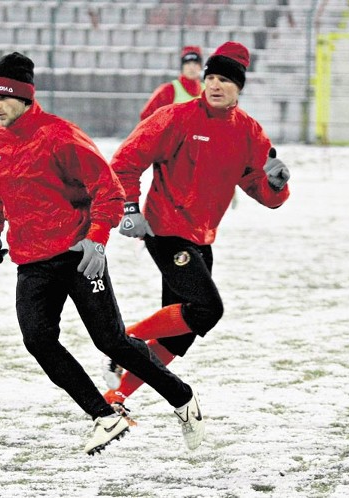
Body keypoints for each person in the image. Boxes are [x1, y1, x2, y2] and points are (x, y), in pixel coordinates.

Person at [0, 52, 203, 455]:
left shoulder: (60, 135)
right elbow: (0, 187)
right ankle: (104, 416)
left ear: (27, 97)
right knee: (38, 341)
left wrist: (97, 239)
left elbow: (109, 189)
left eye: (4, 97)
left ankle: (183, 399)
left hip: (78, 253)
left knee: (112, 342)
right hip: (31, 260)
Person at [102, 42, 291, 423]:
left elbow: (264, 193)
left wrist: (277, 184)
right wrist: (128, 208)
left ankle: (115, 395)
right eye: (211, 78)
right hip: (165, 228)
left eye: (225, 80)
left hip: (202, 237)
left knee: (179, 335)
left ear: (239, 88)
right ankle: (122, 345)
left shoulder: (250, 132)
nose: (215, 85)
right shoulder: (177, 117)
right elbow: (125, 161)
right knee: (208, 309)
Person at [140, 46, 204, 121]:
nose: (191, 68)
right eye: (187, 63)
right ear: (182, 67)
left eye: (195, 63)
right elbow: (147, 116)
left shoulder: (207, 90)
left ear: (200, 67)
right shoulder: (168, 90)